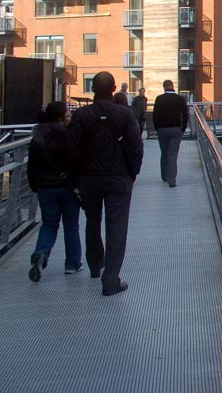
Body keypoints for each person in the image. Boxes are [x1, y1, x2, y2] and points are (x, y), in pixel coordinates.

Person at [69, 71, 143, 297]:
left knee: (92, 221)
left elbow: (72, 148)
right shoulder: (124, 114)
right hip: (118, 177)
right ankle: (110, 279)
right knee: (117, 227)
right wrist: (132, 174)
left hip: (89, 178)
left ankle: (94, 265)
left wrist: (76, 179)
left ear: (93, 89)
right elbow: (135, 146)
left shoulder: (81, 115)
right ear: (113, 89)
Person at [27, 101, 81, 282]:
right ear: (60, 118)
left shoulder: (37, 137)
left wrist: (35, 185)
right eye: (67, 114)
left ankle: (41, 254)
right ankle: (72, 264)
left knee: (49, 225)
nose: (69, 117)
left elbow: (31, 166)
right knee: (71, 225)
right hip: (67, 187)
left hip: (45, 188)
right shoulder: (68, 135)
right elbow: (75, 161)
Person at [152, 79, 188, 188]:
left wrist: (157, 128)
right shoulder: (180, 99)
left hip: (162, 130)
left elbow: (155, 115)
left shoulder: (159, 99)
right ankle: (172, 180)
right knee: (172, 155)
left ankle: (164, 176)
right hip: (176, 130)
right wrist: (182, 129)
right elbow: (185, 115)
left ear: (164, 87)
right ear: (173, 86)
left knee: (164, 153)